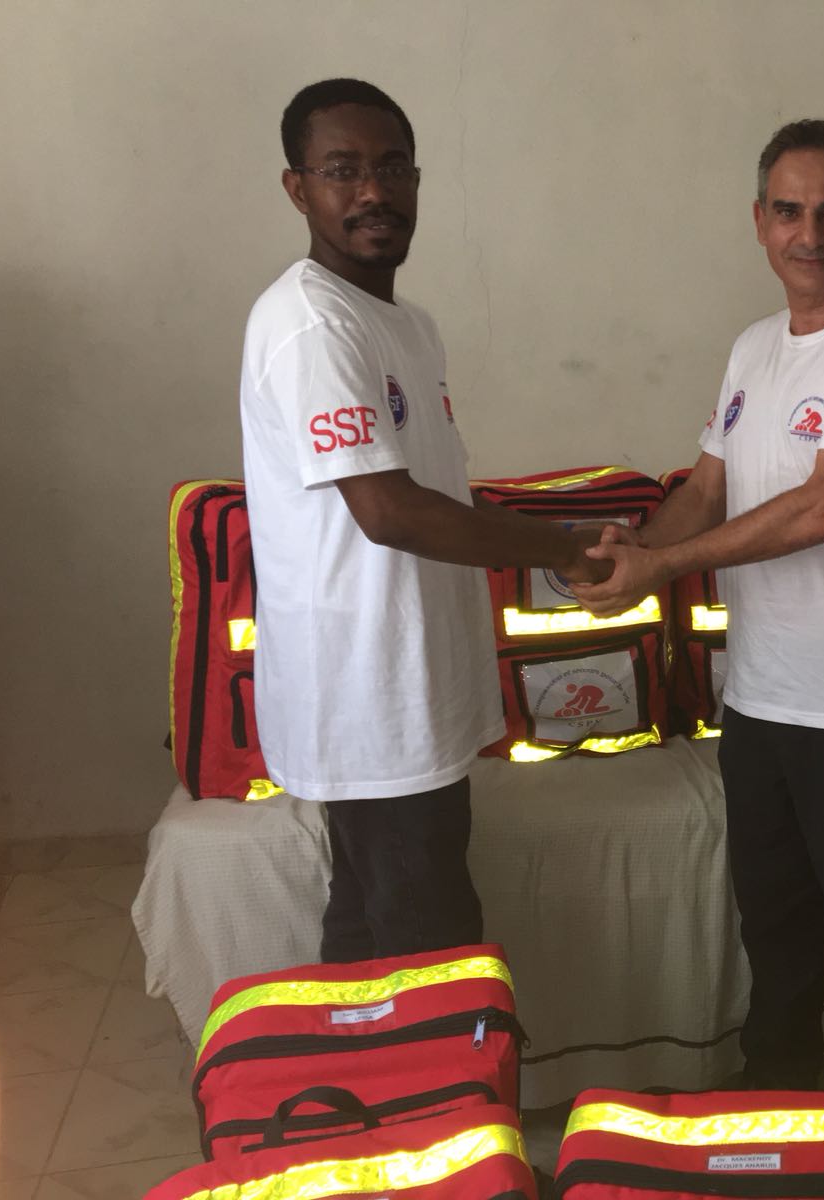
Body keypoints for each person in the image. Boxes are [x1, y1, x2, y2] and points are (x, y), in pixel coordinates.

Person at [573, 118, 824, 1122]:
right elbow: (709, 486)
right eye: (788, 210)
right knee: (775, 931)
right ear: (758, 221)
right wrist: (632, 558)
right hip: (763, 703)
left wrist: (665, 565)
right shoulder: (752, 347)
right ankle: (777, 1116)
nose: (809, 233)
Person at [241, 78, 608, 964]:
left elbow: (435, 491)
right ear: (299, 188)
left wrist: (568, 541)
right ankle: (431, 1105)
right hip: (368, 697)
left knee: (370, 926)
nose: (373, 191)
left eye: (393, 167)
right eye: (343, 170)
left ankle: (362, 1095)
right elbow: (390, 512)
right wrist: (567, 555)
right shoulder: (312, 324)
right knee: (431, 954)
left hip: (409, 689)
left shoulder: (404, 323)